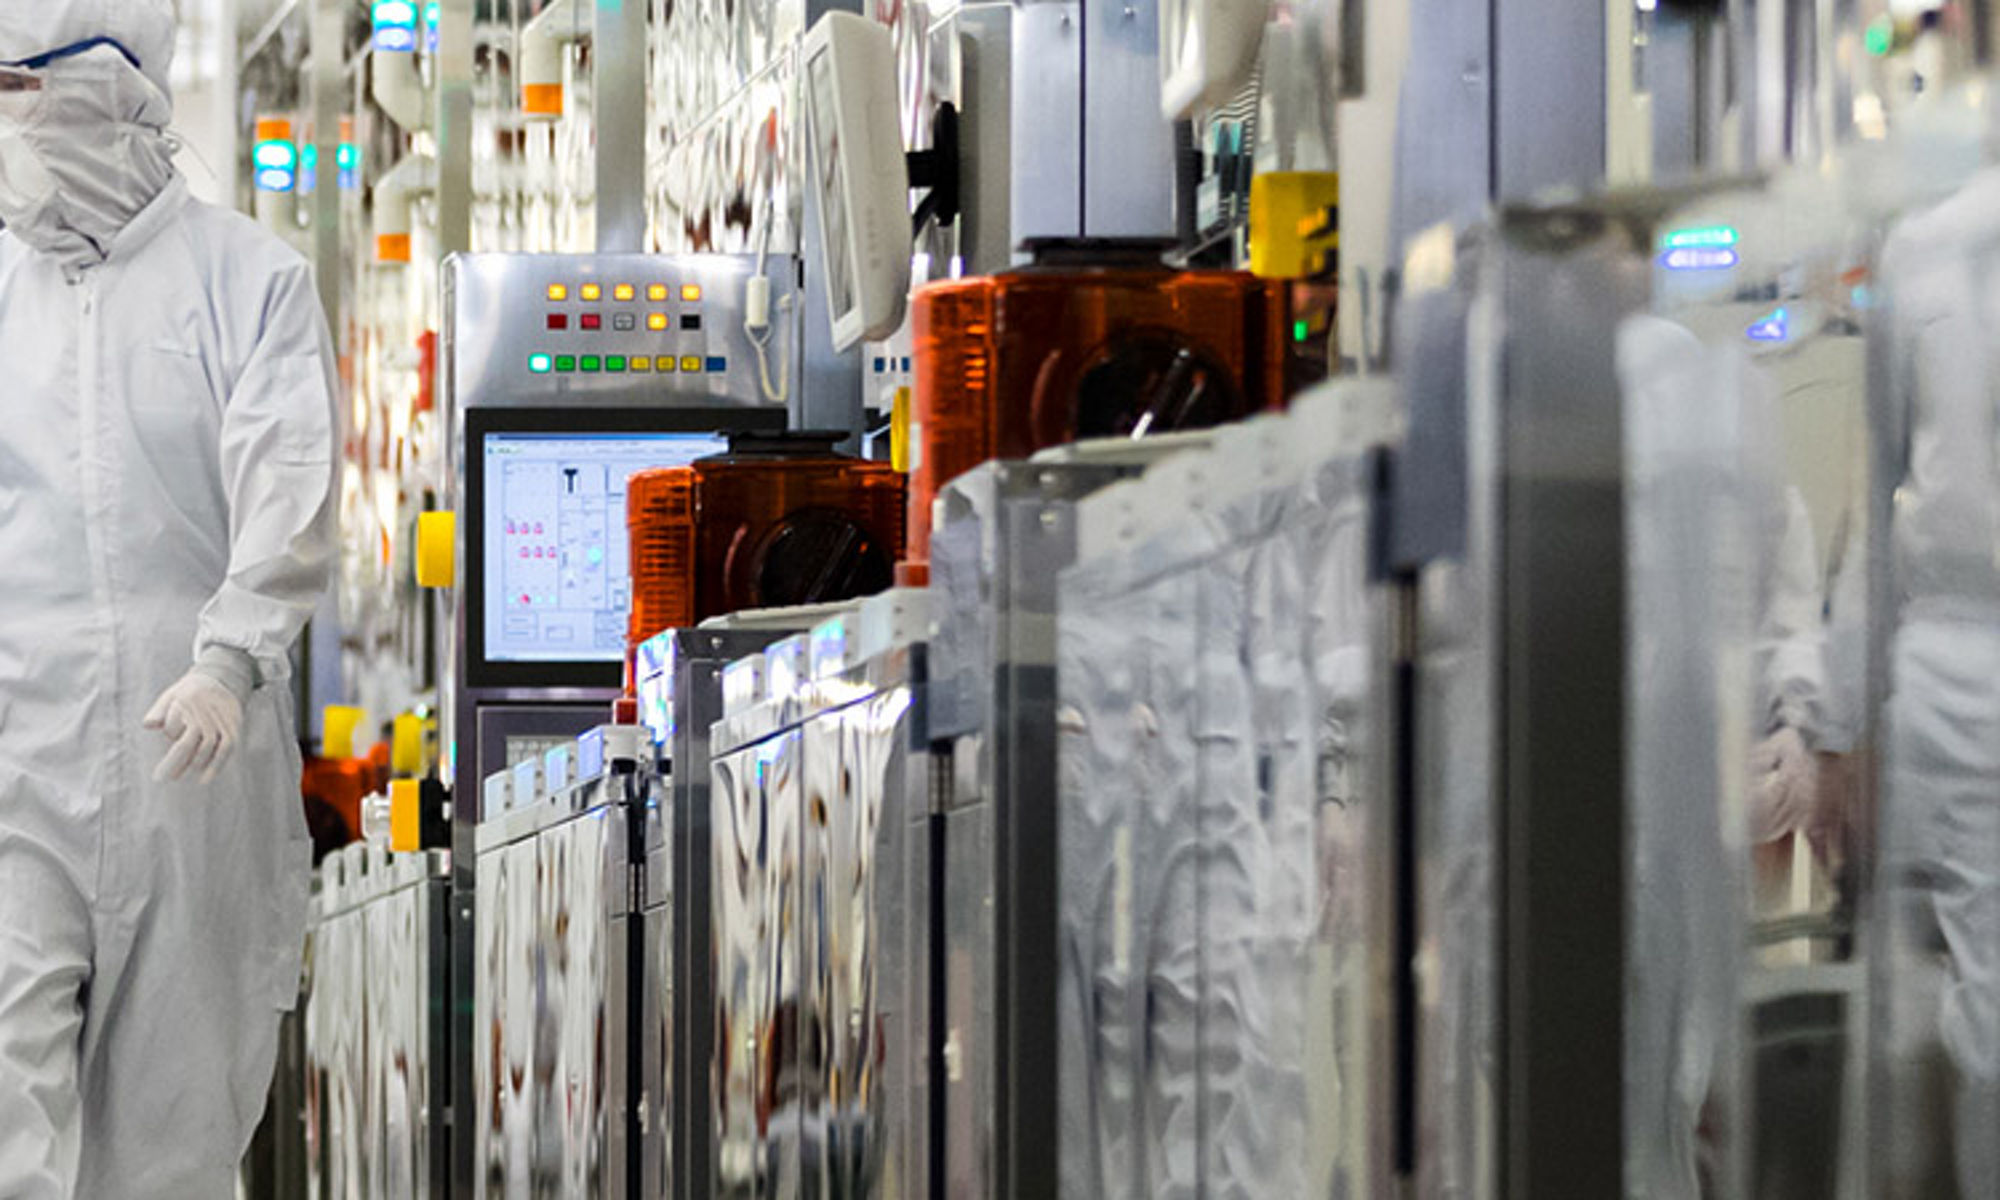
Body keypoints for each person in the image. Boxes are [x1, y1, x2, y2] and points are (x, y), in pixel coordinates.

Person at [0, 2, 339, 1195]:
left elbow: (287, 482)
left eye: (15, 92)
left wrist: (231, 656)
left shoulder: (246, 280)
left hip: (194, 765)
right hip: (15, 750)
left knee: (168, 1143)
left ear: (112, 92)